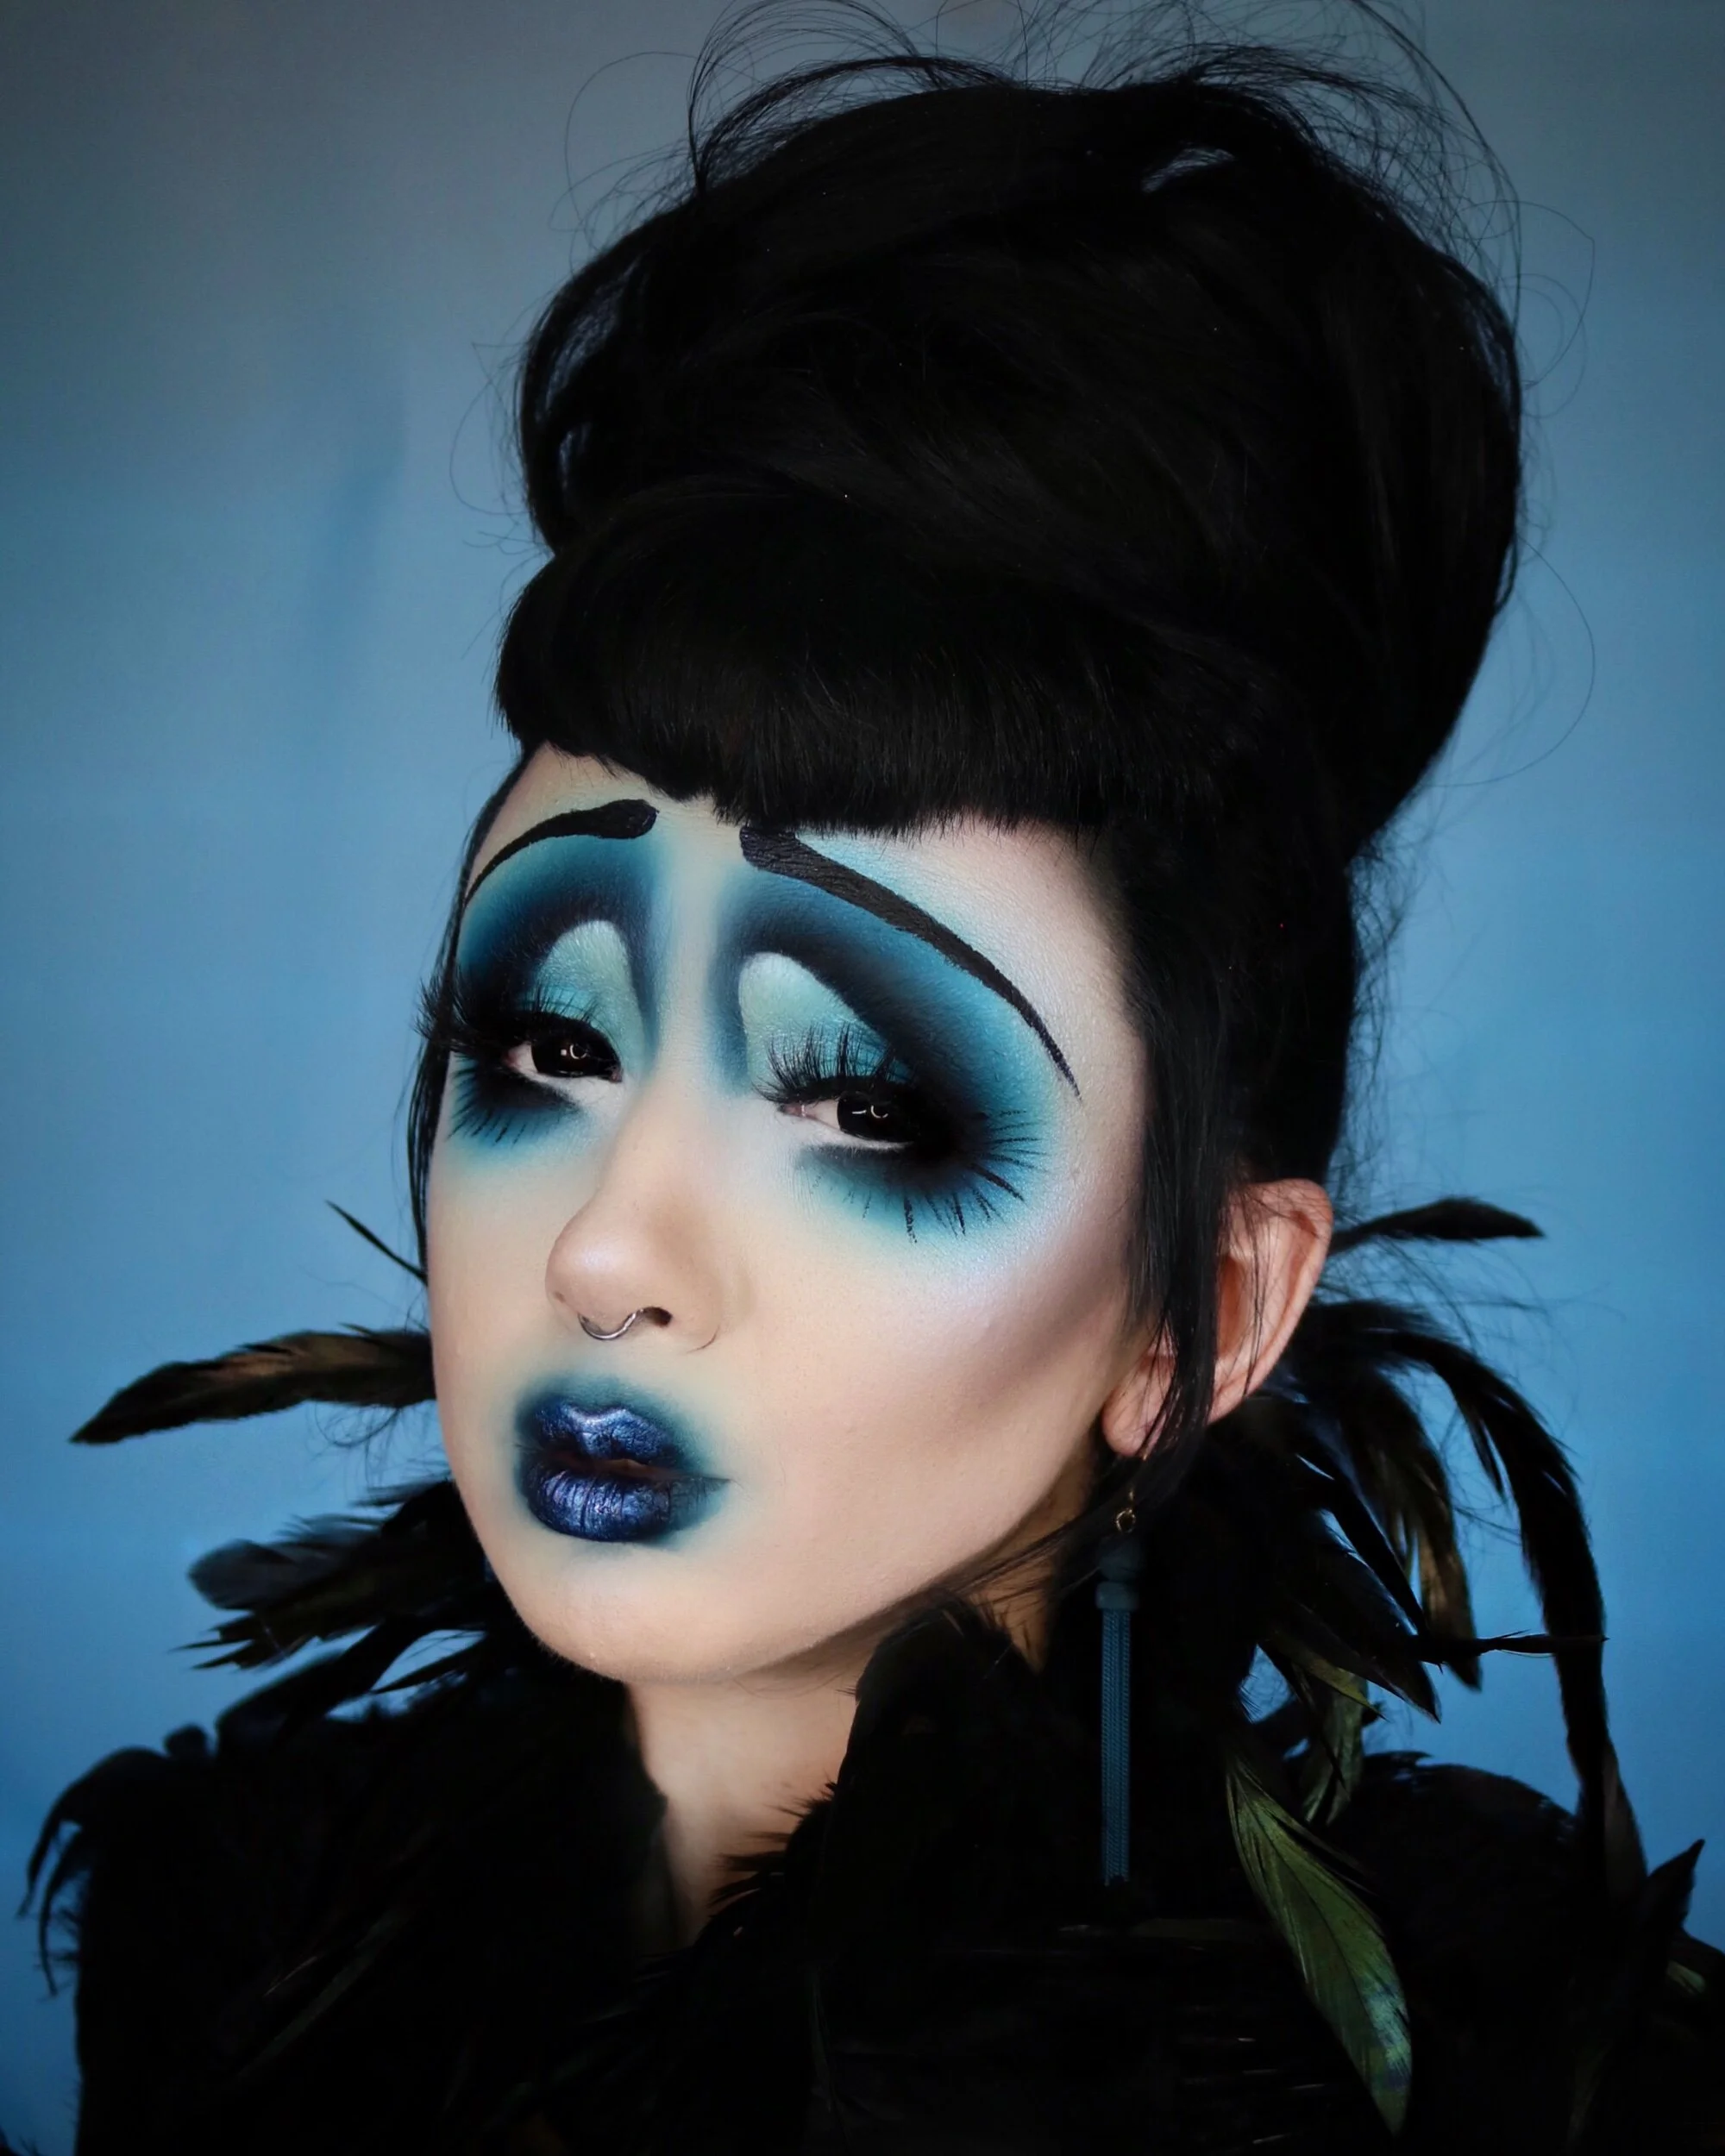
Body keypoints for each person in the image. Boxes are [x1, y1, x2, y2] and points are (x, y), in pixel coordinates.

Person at [22, 9, 1723, 2151]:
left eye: (855, 1103)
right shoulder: (230, 1957)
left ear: (1205, 1310)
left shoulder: (1487, 2106)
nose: (607, 1248)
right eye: (549, 1044)